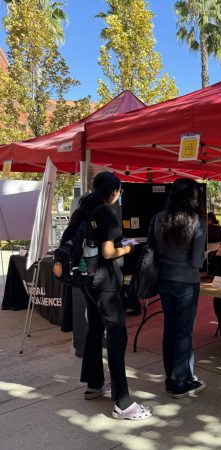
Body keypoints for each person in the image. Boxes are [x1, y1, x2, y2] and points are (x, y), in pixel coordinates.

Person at [65, 172, 151, 420]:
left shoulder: (84, 209)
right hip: (107, 284)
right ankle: (123, 404)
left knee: (94, 330)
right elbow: (108, 251)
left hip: (89, 281)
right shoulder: (106, 213)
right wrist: (128, 246)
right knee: (117, 338)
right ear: (114, 191)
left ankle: (94, 384)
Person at [151, 178, 206, 398]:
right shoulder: (196, 222)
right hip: (187, 282)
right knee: (184, 333)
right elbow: (196, 261)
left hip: (164, 280)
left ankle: (170, 378)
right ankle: (179, 381)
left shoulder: (158, 219)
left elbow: (153, 250)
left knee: (170, 329)